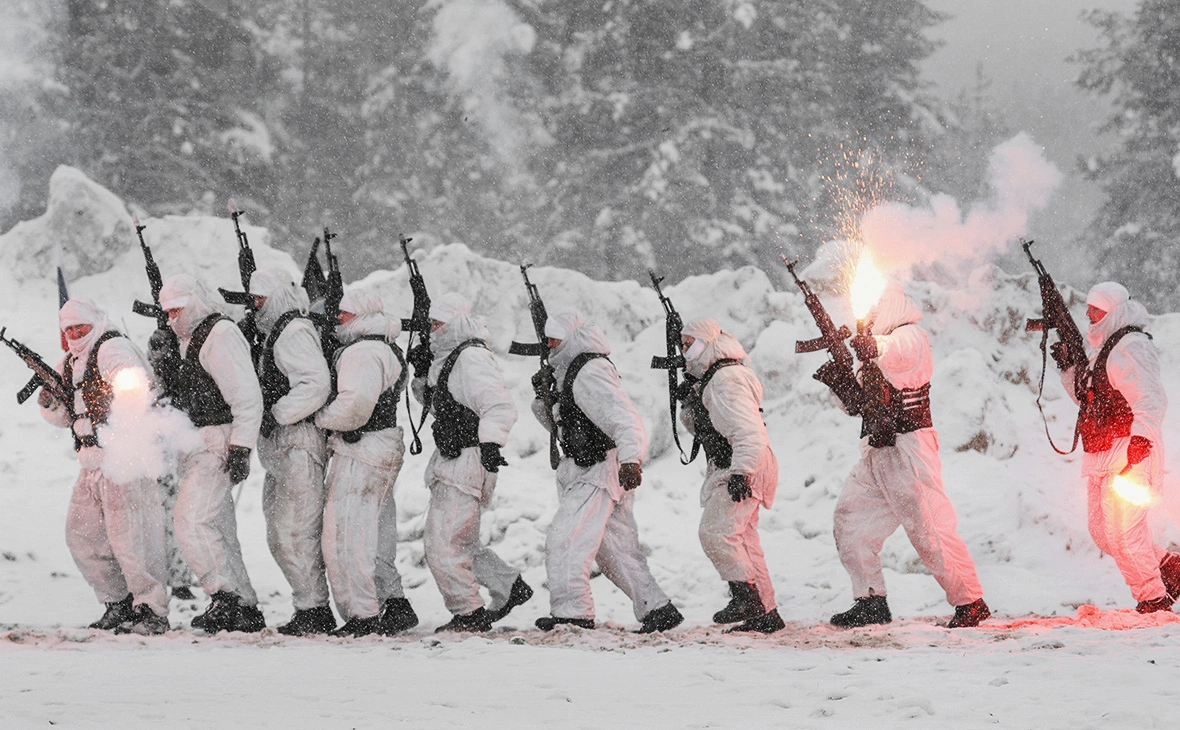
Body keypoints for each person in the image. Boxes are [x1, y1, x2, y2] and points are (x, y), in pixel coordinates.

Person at [827, 283, 990, 628]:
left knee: (930, 529)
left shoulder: (910, 336)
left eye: (874, 309)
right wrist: (840, 378)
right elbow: (854, 405)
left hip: (910, 447)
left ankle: (970, 602)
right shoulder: (869, 350)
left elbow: (897, 351)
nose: (869, 315)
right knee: (850, 521)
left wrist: (875, 346)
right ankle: (870, 600)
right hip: (876, 450)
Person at [531, 311, 683, 633]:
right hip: (590, 466)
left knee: (566, 540)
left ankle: (573, 612)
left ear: (570, 338)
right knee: (615, 550)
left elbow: (625, 418)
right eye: (547, 338)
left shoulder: (588, 370)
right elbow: (561, 426)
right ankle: (656, 607)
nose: (549, 344)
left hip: (599, 468)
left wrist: (631, 460)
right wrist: (544, 399)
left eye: (556, 337)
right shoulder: (568, 371)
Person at [39, 298, 170, 635]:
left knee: (132, 539)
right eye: (68, 329)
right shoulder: (68, 362)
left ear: (94, 322)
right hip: (91, 461)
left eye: (80, 326)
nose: (75, 333)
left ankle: (151, 609)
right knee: (82, 535)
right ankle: (117, 602)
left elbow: (135, 387)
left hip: (122, 457)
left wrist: (122, 395)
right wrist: (51, 402)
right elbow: (67, 418)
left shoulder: (112, 347)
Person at [1052, 281, 1180, 613]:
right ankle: (1169, 566)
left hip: (1130, 450)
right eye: (1089, 308)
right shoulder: (1104, 349)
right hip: (1102, 453)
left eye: (1096, 309)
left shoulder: (1130, 346)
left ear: (1113, 311)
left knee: (1124, 532)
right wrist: (1068, 367)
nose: (1089, 313)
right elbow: (1089, 401)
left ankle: (1153, 598)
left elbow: (1151, 399)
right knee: (1103, 532)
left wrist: (1141, 439)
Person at [410, 292, 532, 633]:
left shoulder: (470, 357)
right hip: (454, 460)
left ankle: (469, 613)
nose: (432, 331)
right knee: (460, 542)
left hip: (468, 459)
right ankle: (508, 585)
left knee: (443, 544)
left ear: (455, 325)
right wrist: (421, 375)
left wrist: (491, 443)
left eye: (438, 325)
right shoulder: (452, 358)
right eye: (430, 324)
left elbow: (500, 406)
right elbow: (446, 407)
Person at [158, 274, 265, 633]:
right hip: (200, 443)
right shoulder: (186, 341)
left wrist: (240, 447)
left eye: (178, 309)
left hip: (219, 441)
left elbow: (247, 395)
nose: (173, 317)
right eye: (167, 311)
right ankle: (243, 605)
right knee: (217, 526)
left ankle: (225, 597)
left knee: (191, 521)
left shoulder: (219, 334)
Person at [315, 290, 419, 637]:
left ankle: (363, 614)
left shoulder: (362, 352)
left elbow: (355, 407)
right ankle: (394, 603)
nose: (337, 320)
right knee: (376, 533)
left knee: (346, 534)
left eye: (343, 314)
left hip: (362, 452)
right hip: (380, 447)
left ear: (358, 317)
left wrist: (319, 417)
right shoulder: (384, 347)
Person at [679, 318, 784, 634]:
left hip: (742, 464)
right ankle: (764, 614)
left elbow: (749, 432)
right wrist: (689, 401)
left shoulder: (725, 380)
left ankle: (746, 598)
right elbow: (703, 430)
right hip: (737, 463)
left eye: (689, 344)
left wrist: (742, 472)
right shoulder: (716, 378)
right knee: (744, 541)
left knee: (715, 532)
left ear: (708, 342)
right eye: (682, 345)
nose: (684, 351)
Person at [249, 267, 335, 635]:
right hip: (283, 446)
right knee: (280, 533)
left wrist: (278, 414)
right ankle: (308, 603)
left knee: (296, 531)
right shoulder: (277, 333)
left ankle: (314, 609)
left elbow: (315, 384)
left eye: (259, 299)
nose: (254, 307)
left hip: (299, 441)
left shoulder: (294, 331)